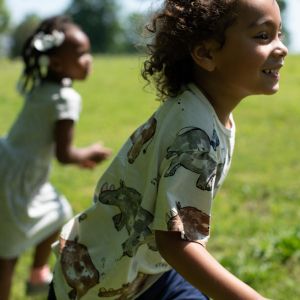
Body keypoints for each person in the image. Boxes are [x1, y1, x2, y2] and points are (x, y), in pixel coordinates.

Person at [49, 0, 287, 299]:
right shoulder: (194, 128)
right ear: (207, 53)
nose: (281, 48)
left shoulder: (204, 112)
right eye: (263, 36)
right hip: (103, 285)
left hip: (149, 273)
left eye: (279, 34)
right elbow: (176, 245)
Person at [0, 16, 111, 300]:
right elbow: (64, 154)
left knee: (60, 211)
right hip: (17, 180)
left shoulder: (42, 85)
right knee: (7, 251)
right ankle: (31, 275)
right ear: (59, 64)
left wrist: (78, 158)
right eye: (81, 54)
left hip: (11, 164)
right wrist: (89, 153)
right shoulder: (66, 98)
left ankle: (38, 273)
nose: (89, 60)